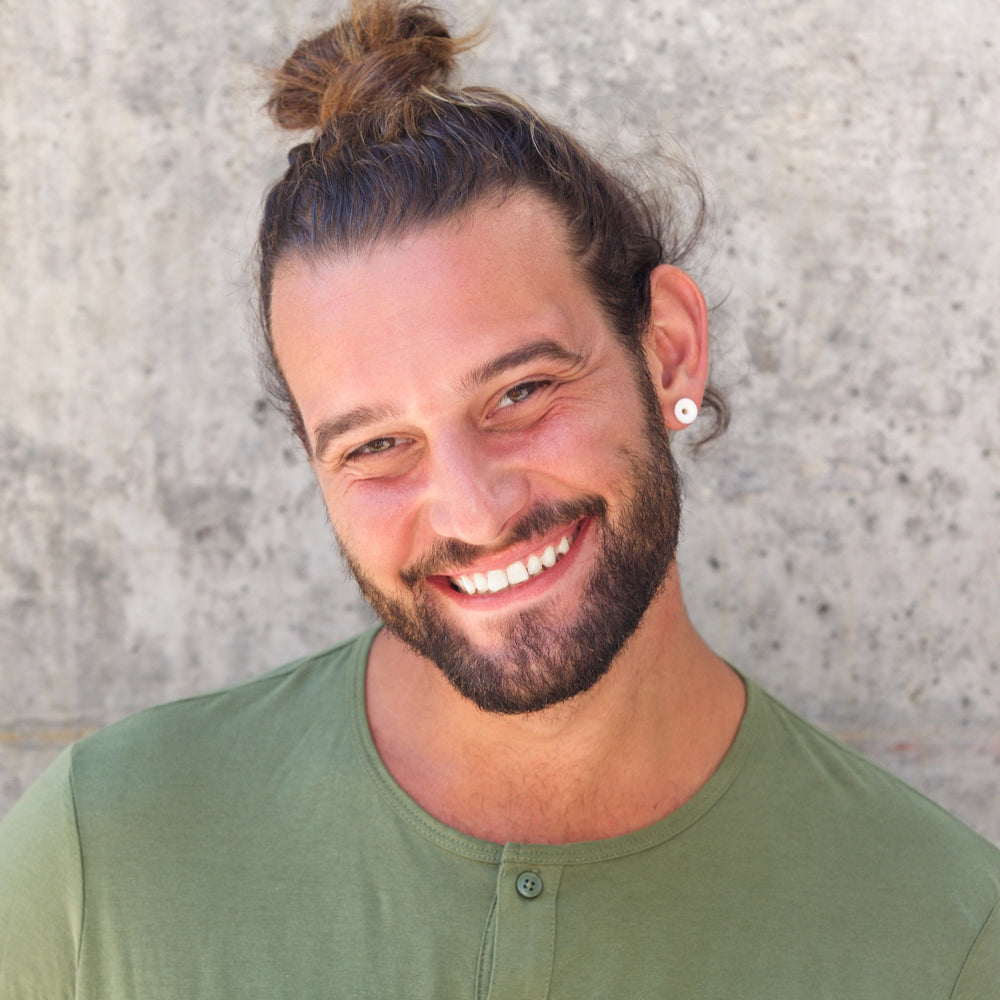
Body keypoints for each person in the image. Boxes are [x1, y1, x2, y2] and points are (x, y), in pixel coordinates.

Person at [1, 0, 998, 995]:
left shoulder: (943, 931)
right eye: (376, 445)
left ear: (667, 352)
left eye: (520, 393)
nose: (472, 512)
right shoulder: (101, 859)